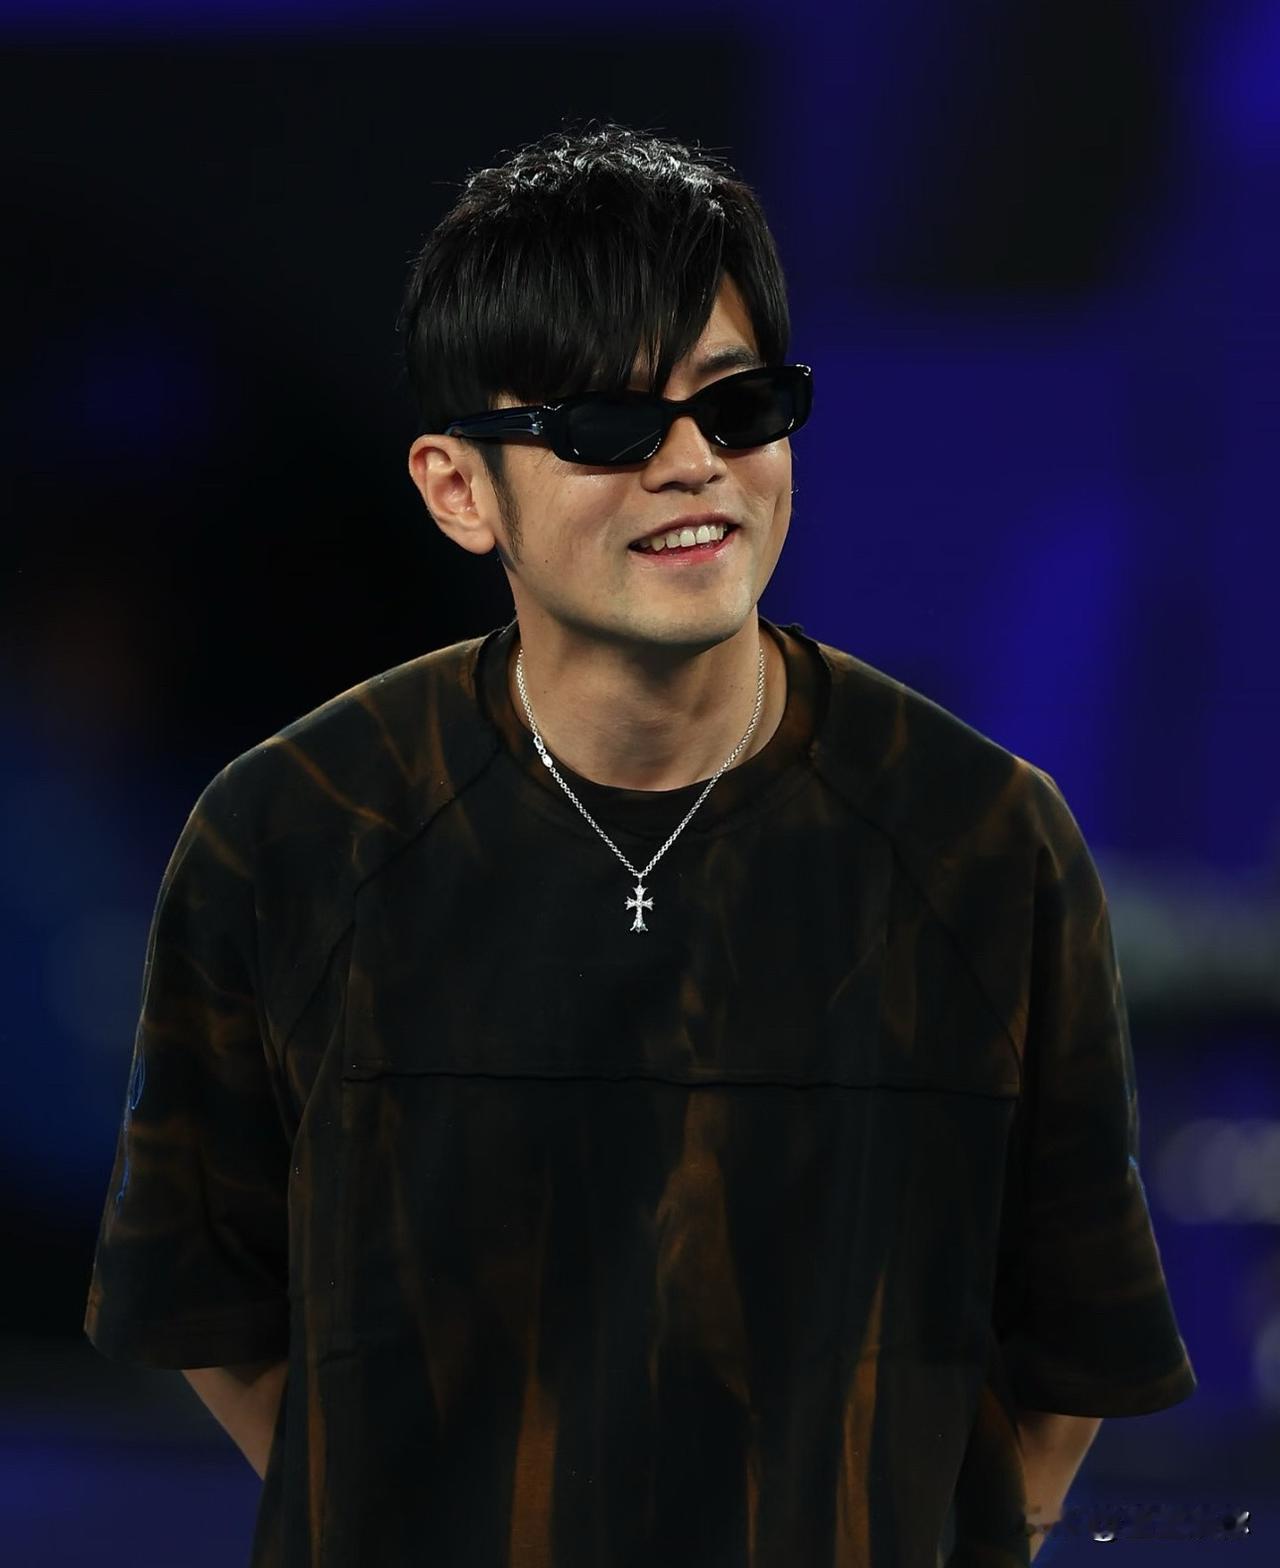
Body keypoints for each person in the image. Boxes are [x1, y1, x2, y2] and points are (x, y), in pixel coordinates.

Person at [84, 120, 1196, 1568]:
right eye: (607, 426)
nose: (692, 467)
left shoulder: (983, 840)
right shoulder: (291, 833)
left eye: (738, 408)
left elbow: (1070, 1343)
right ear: (457, 488)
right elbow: (209, 1310)